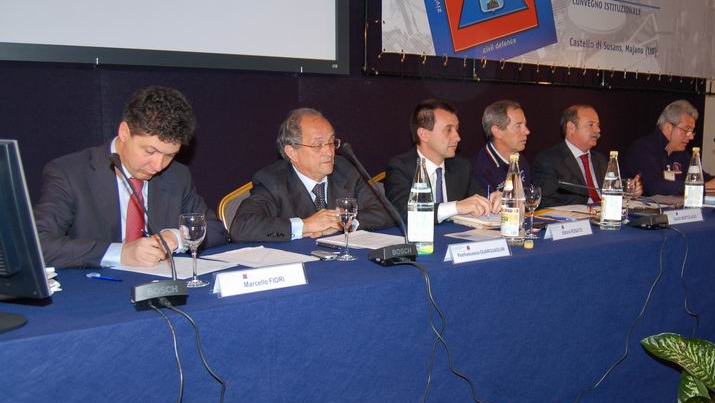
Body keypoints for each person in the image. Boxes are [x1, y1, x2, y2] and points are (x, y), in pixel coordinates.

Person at [35, 86, 227, 269]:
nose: (158, 166)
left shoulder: (177, 175)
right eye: (150, 151)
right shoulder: (70, 174)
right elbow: (39, 244)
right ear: (124, 132)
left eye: (170, 155)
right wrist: (120, 253)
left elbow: (215, 230)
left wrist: (176, 237)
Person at [230, 108, 392, 242]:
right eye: (317, 145)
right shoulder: (272, 181)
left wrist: (342, 222)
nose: (329, 152)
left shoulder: (346, 169)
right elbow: (241, 227)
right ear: (292, 152)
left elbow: (387, 212)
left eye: (331, 142)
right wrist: (305, 225)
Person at [385, 100, 497, 223]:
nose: (458, 137)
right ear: (424, 134)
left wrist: (493, 201)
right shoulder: (400, 168)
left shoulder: (462, 167)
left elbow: (479, 200)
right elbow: (404, 212)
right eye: (448, 130)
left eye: (457, 129)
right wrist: (456, 207)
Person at [621, 99, 715, 196]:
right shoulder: (642, 149)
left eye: (692, 131)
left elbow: (702, 178)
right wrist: (704, 188)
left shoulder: (681, 153)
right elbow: (655, 186)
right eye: (687, 130)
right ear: (668, 127)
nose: (691, 137)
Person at [533, 104, 641, 208]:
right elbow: (546, 203)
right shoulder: (549, 160)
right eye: (591, 125)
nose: (598, 130)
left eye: (598, 125)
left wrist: (628, 191)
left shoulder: (600, 159)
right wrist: (588, 209)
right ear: (571, 127)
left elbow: (611, 192)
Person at [471, 100, 532, 193]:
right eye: (518, 126)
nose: (527, 131)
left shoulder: (520, 160)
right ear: (497, 132)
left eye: (525, 125)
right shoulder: (479, 169)